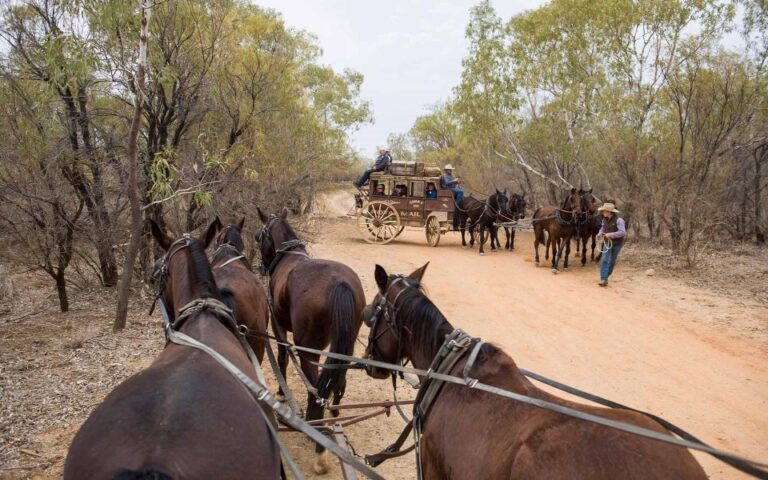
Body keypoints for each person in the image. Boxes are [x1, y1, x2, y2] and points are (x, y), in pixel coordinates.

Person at [596, 202, 626, 287]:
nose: (603, 212)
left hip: (617, 244)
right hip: (606, 242)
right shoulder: (604, 219)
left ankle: (606, 276)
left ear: (610, 212)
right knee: (605, 259)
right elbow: (603, 228)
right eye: (603, 211)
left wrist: (611, 234)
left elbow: (622, 232)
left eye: (604, 211)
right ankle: (603, 279)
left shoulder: (619, 220)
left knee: (612, 261)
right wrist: (600, 233)